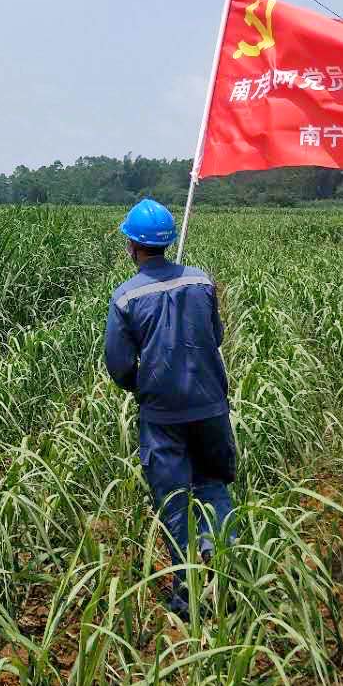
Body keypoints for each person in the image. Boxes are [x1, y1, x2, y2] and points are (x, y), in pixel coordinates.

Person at [104, 198, 236, 617]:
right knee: (213, 483)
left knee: (175, 499)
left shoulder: (126, 297)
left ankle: (189, 598)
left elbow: (119, 362)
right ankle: (227, 575)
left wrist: (138, 386)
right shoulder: (201, 282)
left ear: (132, 245)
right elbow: (214, 336)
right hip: (211, 404)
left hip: (163, 414)